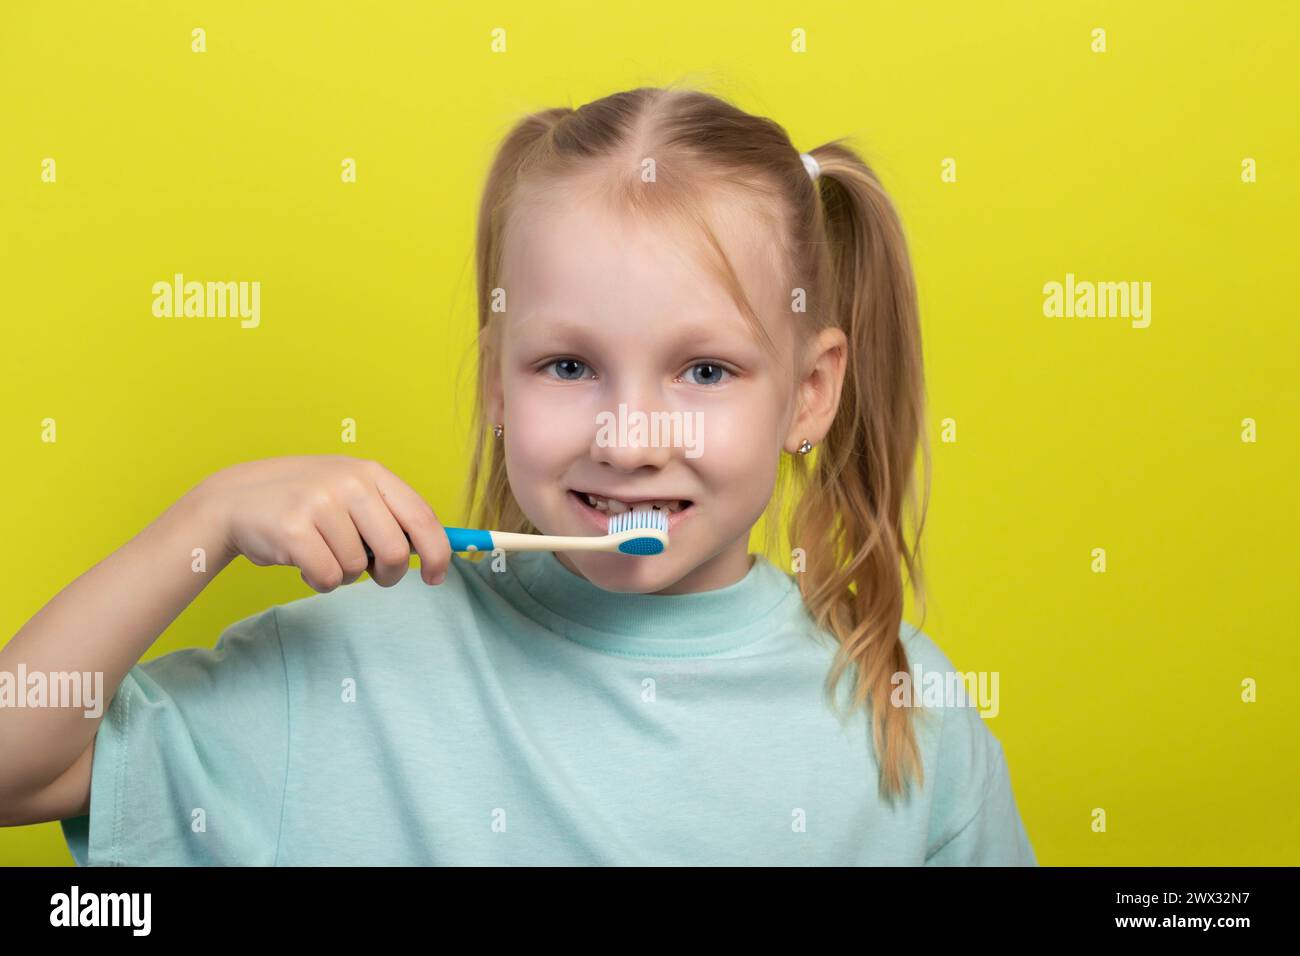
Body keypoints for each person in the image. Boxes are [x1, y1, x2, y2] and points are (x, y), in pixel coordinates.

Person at [0, 85, 1036, 865]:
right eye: (568, 366)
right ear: (497, 381)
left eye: (706, 368)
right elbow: (19, 766)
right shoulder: (344, 666)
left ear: (809, 394)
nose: (628, 438)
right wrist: (212, 514)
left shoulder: (911, 712)